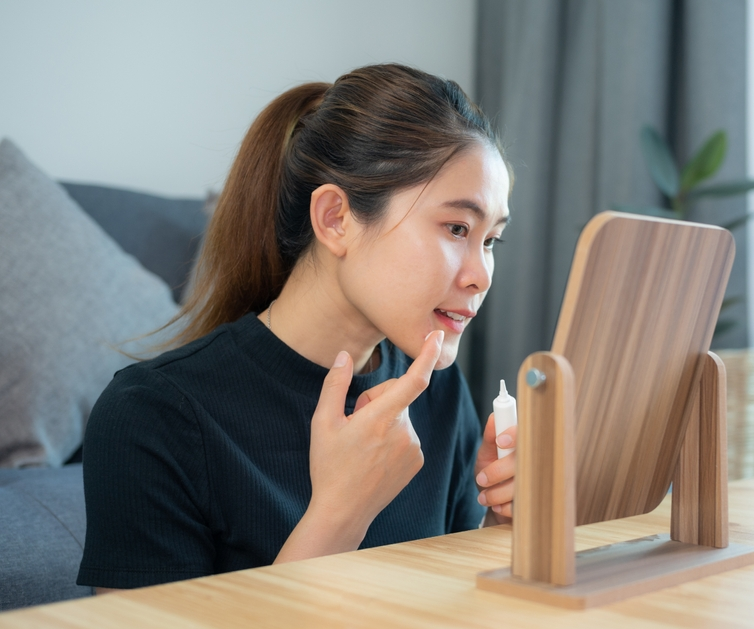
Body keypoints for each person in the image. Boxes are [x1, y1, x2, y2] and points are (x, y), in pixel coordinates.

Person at [76, 64, 516, 592]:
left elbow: (454, 616)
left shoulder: (437, 388)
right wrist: (339, 513)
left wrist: (502, 522)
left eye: (491, 240)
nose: (480, 275)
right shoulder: (151, 417)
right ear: (336, 219)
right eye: (456, 228)